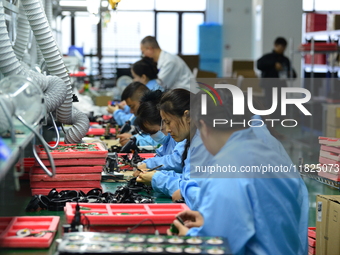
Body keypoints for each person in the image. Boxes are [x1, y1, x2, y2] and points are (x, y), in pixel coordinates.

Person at [168, 89, 309, 255]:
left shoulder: (227, 167)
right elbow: (266, 222)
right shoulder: (271, 155)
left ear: (204, 127)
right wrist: (211, 220)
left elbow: (217, 248)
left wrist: (190, 238)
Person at [137, 89, 211, 208]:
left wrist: (157, 178)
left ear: (187, 116)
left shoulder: (202, 142)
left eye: (168, 122)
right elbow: (188, 178)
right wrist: (156, 174)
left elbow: (191, 189)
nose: (166, 129)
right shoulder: (192, 139)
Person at [134, 90, 185, 173]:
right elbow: (161, 156)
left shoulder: (185, 137)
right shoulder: (169, 140)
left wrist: (151, 169)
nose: (168, 130)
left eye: (168, 122)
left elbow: (177, 161)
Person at [257, 37, 297, 119]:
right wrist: (273, 64)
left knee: (281, 106)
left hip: (281, 86)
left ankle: (279, 122)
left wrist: (289, 73)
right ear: (275, 45)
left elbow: (293, 75)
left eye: (284, 47)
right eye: (281, 46)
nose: (282, 49)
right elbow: (259, 65)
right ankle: (270, 123)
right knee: (270, 104)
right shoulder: (267, 57)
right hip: (269, 86)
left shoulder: (285, 60)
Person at [109, 82, 158, 147]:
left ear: (142, 101)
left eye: (132, 106)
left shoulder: (157, 115)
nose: (131, 111)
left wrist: (134, 139)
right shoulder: (143, 116)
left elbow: (157, 142)